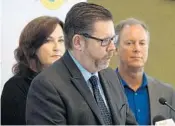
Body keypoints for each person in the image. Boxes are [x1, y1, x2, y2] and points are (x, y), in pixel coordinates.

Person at [26, 2, 137, 125]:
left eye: (113, 39)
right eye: (104, 41)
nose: (112, 48)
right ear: (78, 42)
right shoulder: (47, 86)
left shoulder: (111, 76)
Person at [1, 16, 65, 125]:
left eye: (61, 40)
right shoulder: (15, 88)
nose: (57, 47)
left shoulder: (68, 82)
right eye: (48, 41)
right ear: (32, 46)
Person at [115, 18, 175, 125]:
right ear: (116, 48)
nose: (137, 49)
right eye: (129, 43)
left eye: (142, 43)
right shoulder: (102, 89)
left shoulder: (166, 94)